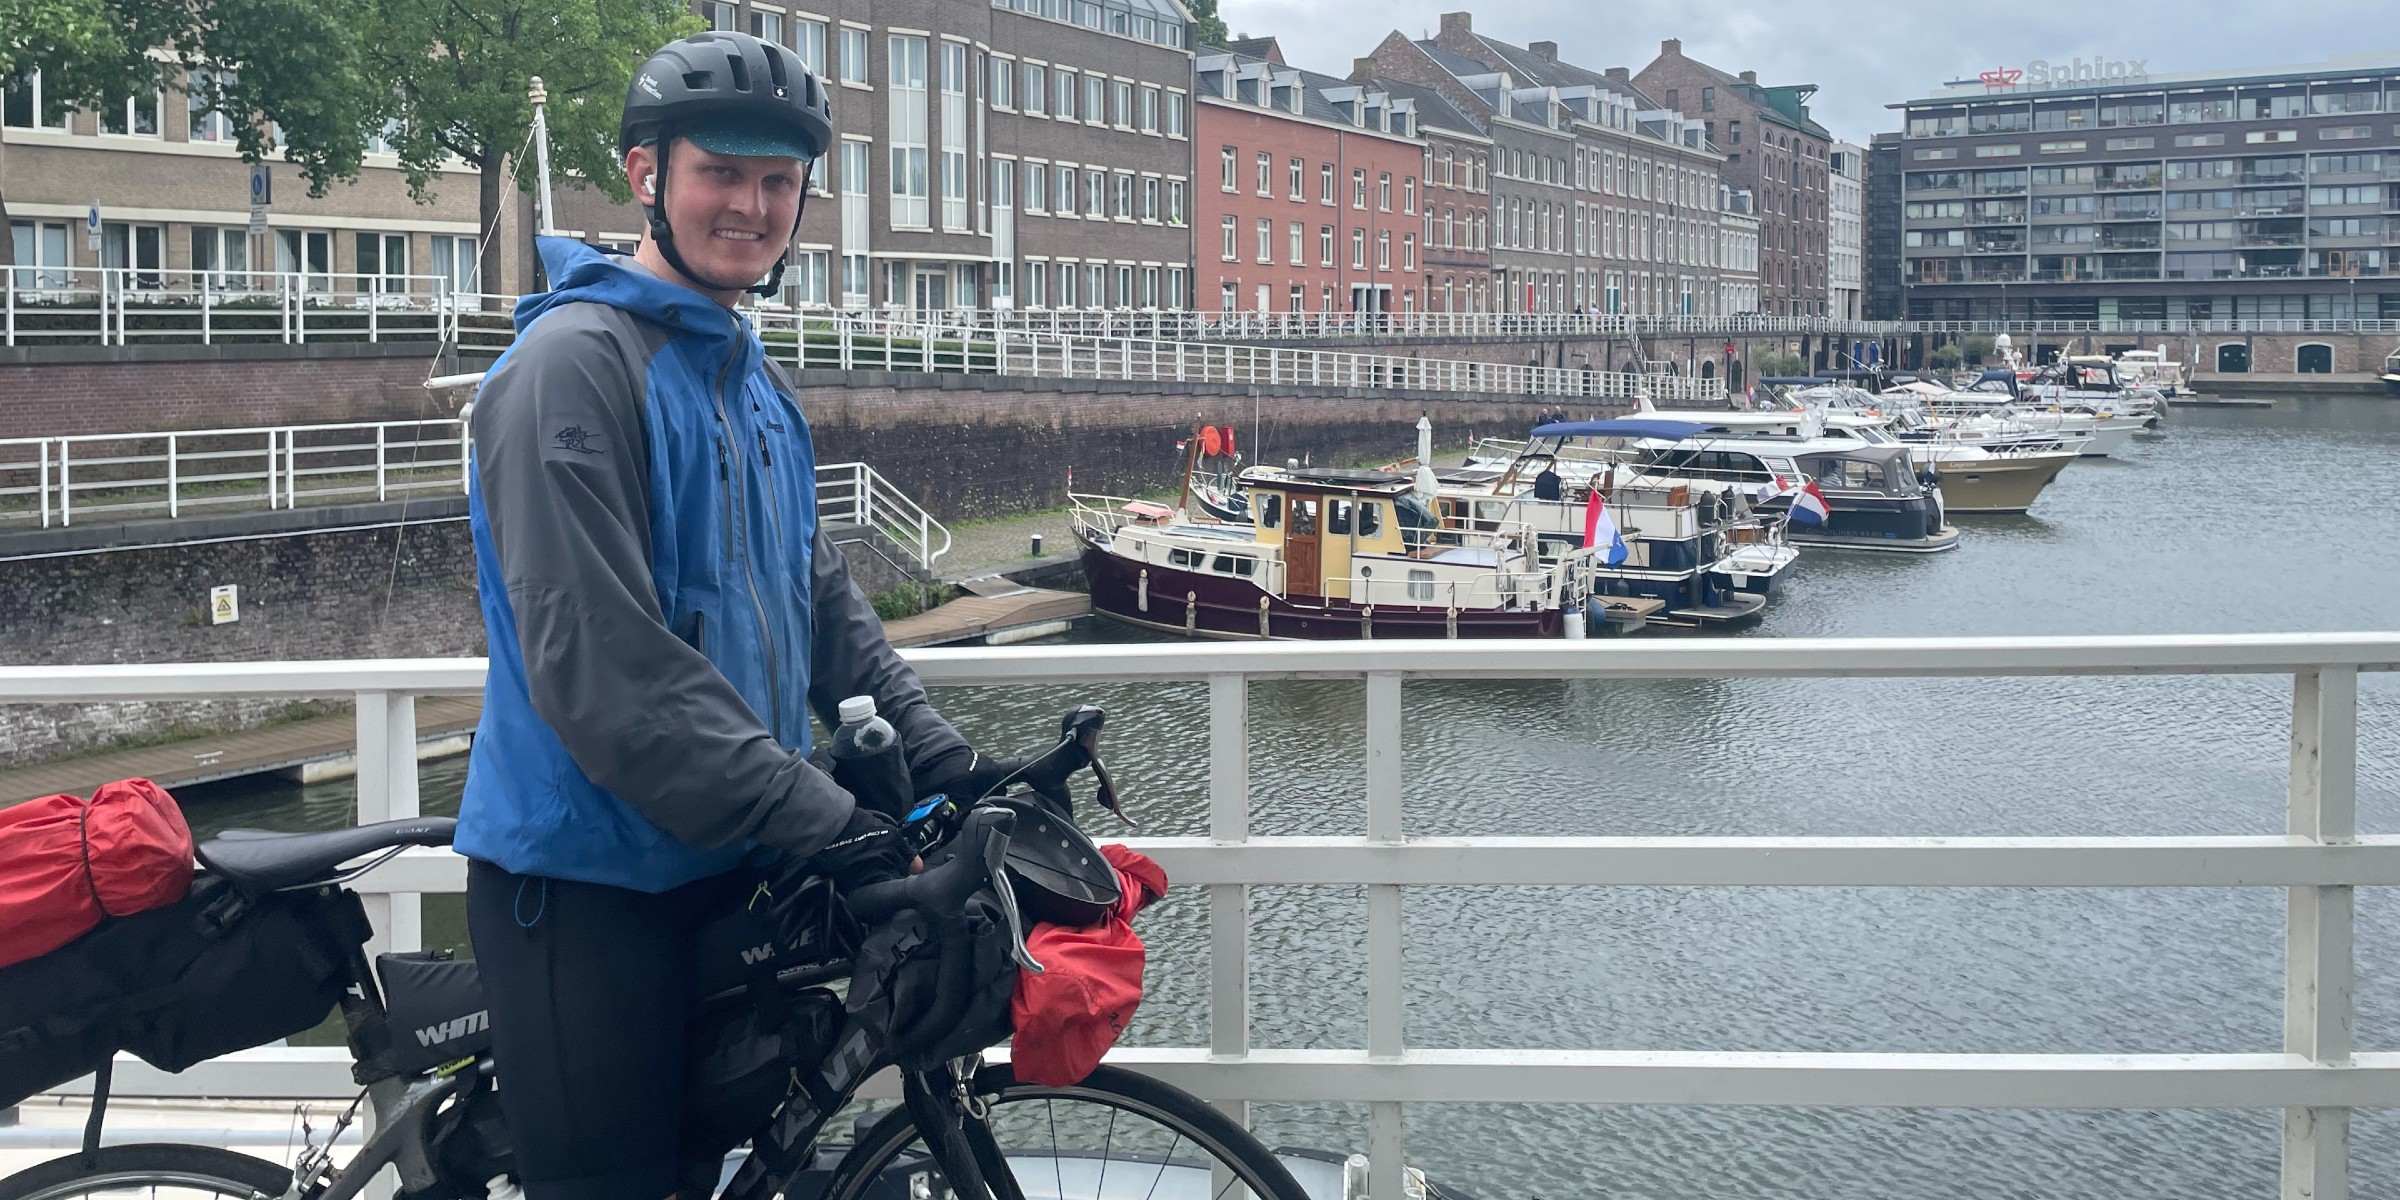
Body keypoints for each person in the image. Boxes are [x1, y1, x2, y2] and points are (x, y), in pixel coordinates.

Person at [454, 31, 1006, 1200]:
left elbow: (821, 606)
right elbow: (600, 667)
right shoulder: (572, 368)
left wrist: (948, 765)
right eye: (722, 173)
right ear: (648, 174)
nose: (751, 207)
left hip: (728, 862)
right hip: (586, 886)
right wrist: (825, 813)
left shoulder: (749, 381)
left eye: (778, 182)